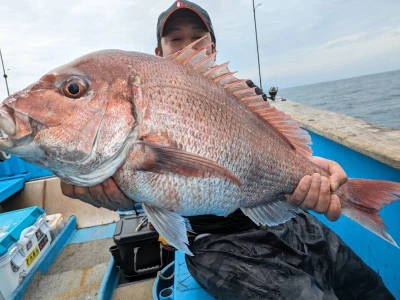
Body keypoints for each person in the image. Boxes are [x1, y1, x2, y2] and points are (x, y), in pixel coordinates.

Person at [61, 1, 394, 299]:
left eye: (198, 36)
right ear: (157, 54)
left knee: (366, 285)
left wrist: (317, 170)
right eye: (176, 39)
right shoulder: (145, 104)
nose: (189, 45)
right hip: (215, 243)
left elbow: (276, 153)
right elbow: (147, 177)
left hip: (285, 221)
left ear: (214, 48)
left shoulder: (245, 95)